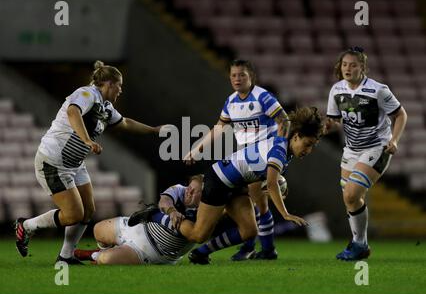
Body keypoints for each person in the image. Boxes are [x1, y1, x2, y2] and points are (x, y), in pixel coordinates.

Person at [14, 60, 168, 264]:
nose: (120, 91)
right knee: (72, 215)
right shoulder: (87, 93)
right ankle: (25, 226)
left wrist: (154, 130)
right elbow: (73, 112)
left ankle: (65, 256)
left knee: (88, 210)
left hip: (74, 164)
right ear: (110, 84)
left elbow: (125, 123)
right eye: (119, 86)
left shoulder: (105, 106)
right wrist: (87, 140)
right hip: (53, 160)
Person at [132, 107, 323, 264]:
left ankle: (201, 254)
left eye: (312, 146)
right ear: (296, 137)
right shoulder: (280, 153)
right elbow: (272, 183)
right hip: (219, 181)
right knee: (198, 234)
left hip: (237, 185)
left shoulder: (284, 142)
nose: (308, 150)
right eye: (307, 144)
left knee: (249, 230)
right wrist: (285, 214)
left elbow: (283, 124)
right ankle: (155, 213)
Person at [184, 59, 291, 261]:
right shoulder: (231, 101)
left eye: (242, 75)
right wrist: (197, 148)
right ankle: (253, 247)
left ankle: (267, 250)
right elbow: (219, 127)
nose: (237, 79)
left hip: (262, 157)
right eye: (233, 75)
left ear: (251, 77)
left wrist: (279, 147)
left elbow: (284, 120)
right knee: (253, 207)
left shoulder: (262, 96)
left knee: (260, 203)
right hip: (245, 159)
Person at [326, 47, 407, 261]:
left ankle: (359, 244)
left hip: (376, 146)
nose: (348, 68)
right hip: (351, 150)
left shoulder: (378, 90)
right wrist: (327, 125)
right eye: (344, 64)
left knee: (351, 194)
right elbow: (335, 120)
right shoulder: (336, 90)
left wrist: (394, 140)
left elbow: (400, 114)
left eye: (353, 65)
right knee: (351, 199)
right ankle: (359, 244)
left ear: (362, 67)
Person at [73, 175, 203, 265]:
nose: (188, 192)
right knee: (98, 230)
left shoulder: (203, 214)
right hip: (139, 226)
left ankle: (96, 256)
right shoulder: (180, 189)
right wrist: (172, 211)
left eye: (194, 191)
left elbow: (188, 231)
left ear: (204, 196)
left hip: (151, 250)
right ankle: (106, 251)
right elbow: (164, 201)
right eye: (189, 188)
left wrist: (154, 215)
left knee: (105, 259)